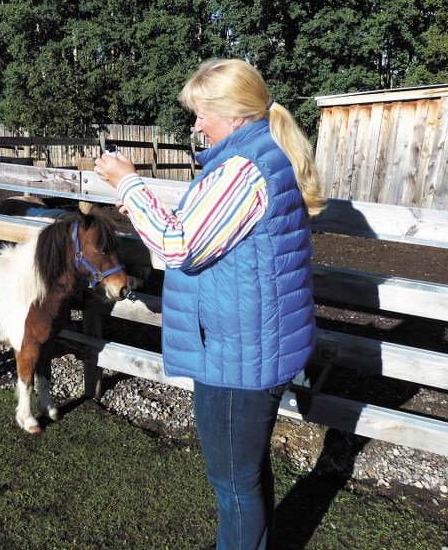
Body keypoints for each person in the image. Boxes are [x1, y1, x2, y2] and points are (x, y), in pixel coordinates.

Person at [94, 58, 326, 550]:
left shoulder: (242, 169)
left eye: (202, 113)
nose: (195, 125)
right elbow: (208, 228)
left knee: (233, 485)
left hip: (235, 356)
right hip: (252, 345)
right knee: (246, 473)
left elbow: (177, 248)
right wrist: (142, 205)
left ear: (234, 115)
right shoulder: (257, 155)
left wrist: (128, 183)